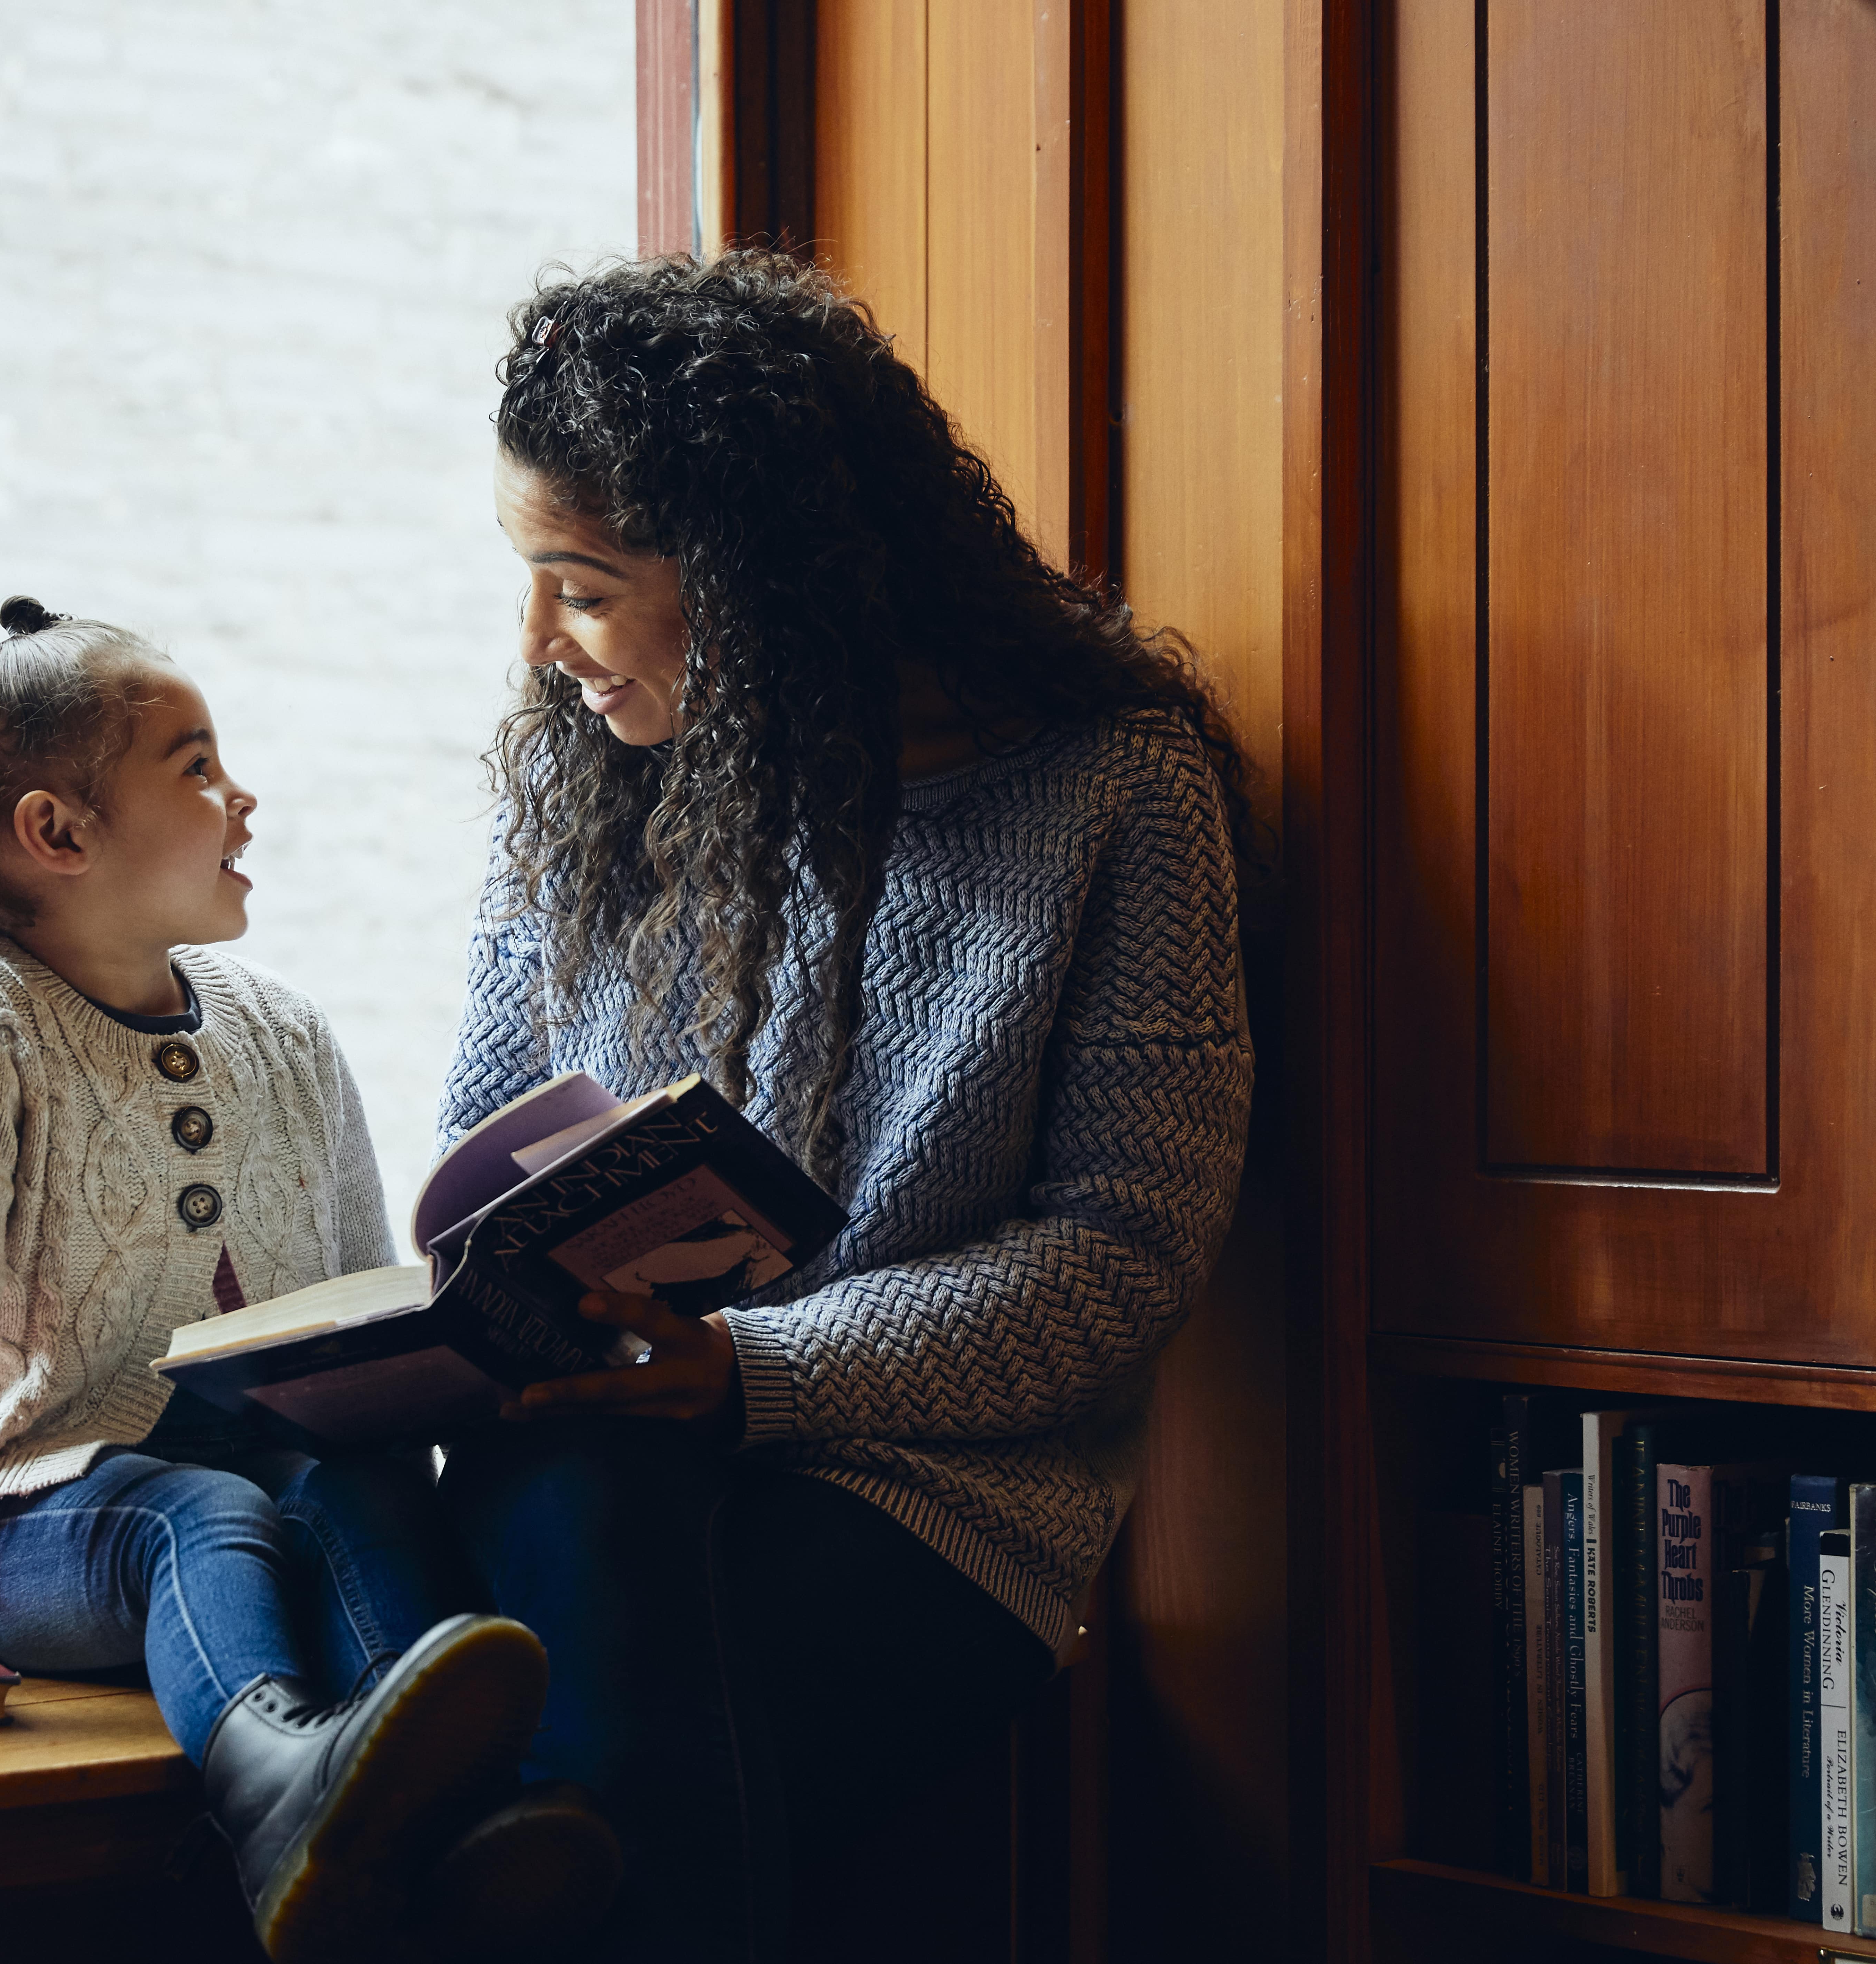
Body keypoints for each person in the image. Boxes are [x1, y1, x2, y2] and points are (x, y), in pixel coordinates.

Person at [436, 253, 1258, 1961]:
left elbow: (1121, 1259)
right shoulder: (596, 792)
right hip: (593, 1453)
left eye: (581, 588)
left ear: (748, 580)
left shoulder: (1109, 797)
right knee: (557, 1515)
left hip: (934, 1503)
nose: (541, 646)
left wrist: (749, 1371)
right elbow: (485, 1167)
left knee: (594, 1729)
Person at [0, 598, 616, 1964]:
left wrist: (472, 1354)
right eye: (197, 766)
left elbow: (349, 1283)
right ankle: (273, 1774)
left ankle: (455, 1809)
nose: (240, 796)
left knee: (357, 1486)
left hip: (263, 1467)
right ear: (60, 834)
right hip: (29, 1521)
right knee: (193, 1509)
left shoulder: (284, 1030)